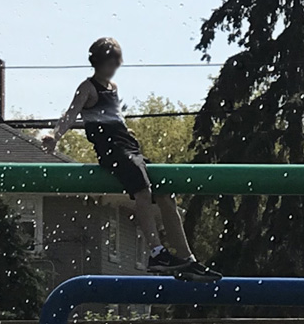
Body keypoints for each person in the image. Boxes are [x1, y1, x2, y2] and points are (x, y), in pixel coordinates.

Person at [44, 37, 220, 283]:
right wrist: (55, 135)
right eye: (111, 61)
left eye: (117, 61)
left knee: (167, 197)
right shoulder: (87, 87)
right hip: (113, 151)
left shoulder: (113, 88)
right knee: (143, 193)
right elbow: (70, 114)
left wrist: (127, 132)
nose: (115, 66)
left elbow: (114, 117)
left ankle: (187, 258)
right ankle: (156, 252)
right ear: (100, 62)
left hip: (128, 147)